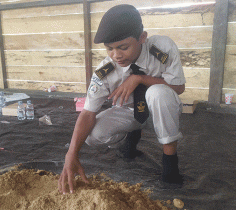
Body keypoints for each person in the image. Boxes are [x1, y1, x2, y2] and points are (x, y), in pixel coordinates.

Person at [58, 4, 186, 194]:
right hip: (128, 112)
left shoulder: (161, 48)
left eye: (123, 47)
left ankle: (170, 164)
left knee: (157, 93)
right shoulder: (105, 70)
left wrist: (139, 78)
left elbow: (179, 87)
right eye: (109, 49)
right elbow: (88, 112)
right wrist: (71, 154)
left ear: (142, 38)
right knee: (93, 135)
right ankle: (130, 135)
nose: (116, 55)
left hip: (161, 107)